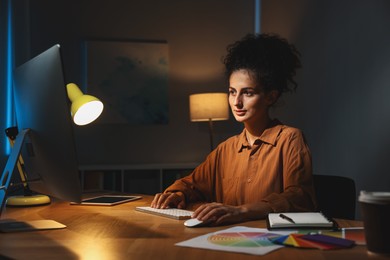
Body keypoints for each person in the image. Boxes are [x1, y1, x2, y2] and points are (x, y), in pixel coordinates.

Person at [151, 33, 317, 226]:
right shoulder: (226, 149)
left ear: (271, 97)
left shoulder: (289, 139)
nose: (237, 102)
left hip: (271, 243)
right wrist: (176, 194)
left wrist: (242, 211)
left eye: (248, 93)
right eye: (232, 92)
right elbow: (190, 183)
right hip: (224, 240)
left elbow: (300, 198)